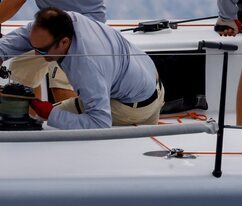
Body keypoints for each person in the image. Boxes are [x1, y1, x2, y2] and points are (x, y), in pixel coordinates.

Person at [0, 7, 163, 129]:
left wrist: (50, 114)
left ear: (63, 42)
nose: (37, 53)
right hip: (153, 84)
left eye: (42, 50)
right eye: (34, 46)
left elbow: (100, 123)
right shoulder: (67, 20)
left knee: (47, 126)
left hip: (131, 107)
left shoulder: (87, 67)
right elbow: (22, 38)